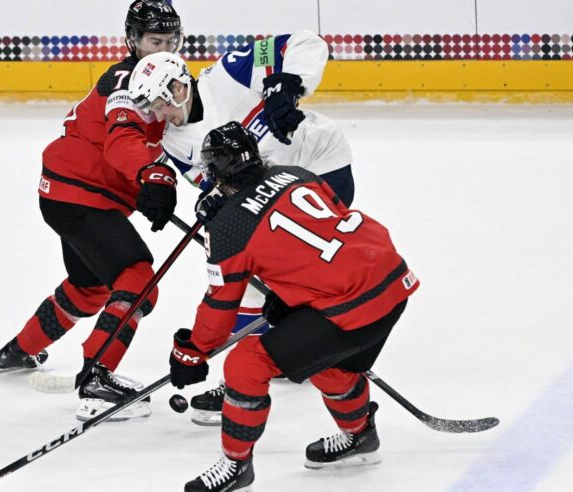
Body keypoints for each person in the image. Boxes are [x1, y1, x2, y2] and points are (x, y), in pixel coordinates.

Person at [167, 122, 419, 491]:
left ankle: (235, 466)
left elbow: (221, 306)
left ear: (217, 175)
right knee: (326, 363)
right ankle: (360, 436)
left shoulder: (228, 229)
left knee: (246, 362)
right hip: (392, 283)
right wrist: (292, 298)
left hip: (348, 307)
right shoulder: (296, 174)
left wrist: (191, 353)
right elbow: (323, 235)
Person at [128, 31, 355, 424]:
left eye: (161, 104)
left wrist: (289, 82)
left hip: (320, 162)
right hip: (276, 190)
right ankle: (280, 354)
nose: (160, 116)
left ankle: (324, 340)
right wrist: (214, 200)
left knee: (298, 267)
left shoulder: (229, 74)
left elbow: (305, 42)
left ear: (180, 85)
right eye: (152, 110)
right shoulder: (176, 143)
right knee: (257, 274)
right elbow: (221, 185)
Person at [0, 0, 183, 422]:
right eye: (154, 41)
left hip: (70, 192)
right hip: (82, 195)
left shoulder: (166, 77)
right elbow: (123, 140)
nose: (164, 47)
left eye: (170, 40)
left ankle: (17, 351)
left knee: (89, 287)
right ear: (133, 40)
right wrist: (151, 175)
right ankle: (97, 375)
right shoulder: (126, 83)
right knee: (138, 281)